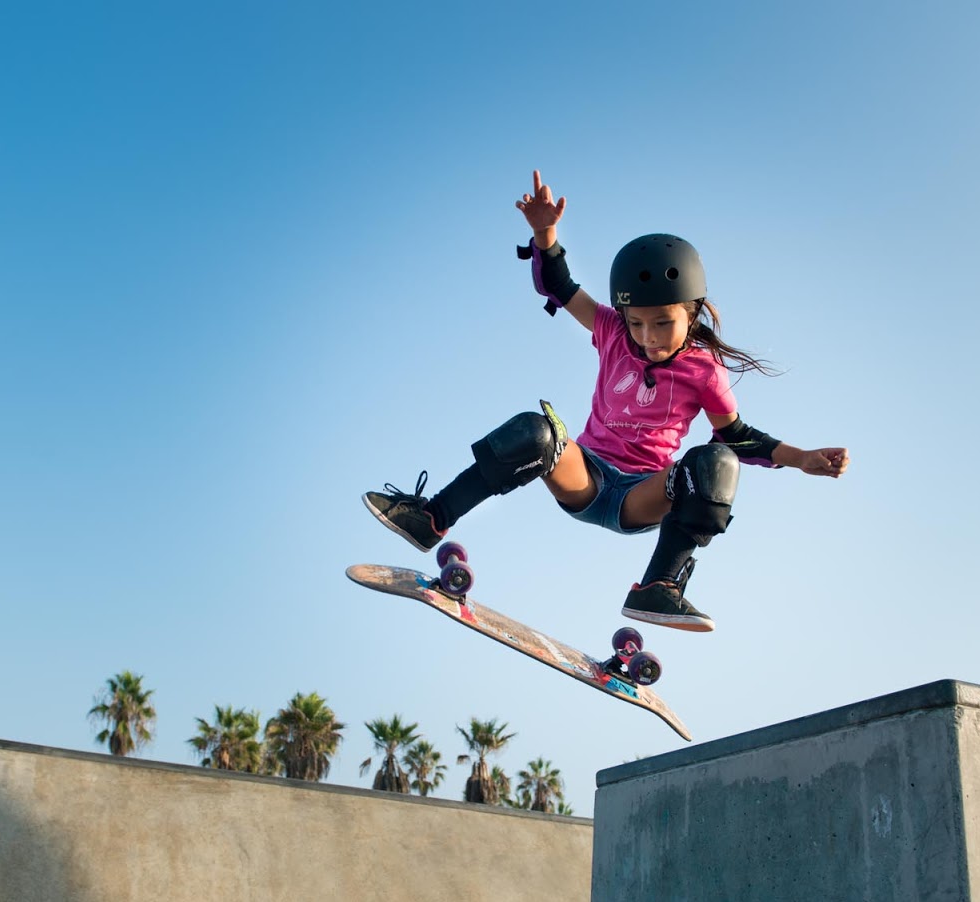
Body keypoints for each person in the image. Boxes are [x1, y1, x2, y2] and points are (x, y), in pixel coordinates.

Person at [363, 170, 850, 632]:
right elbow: (561, 287)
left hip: (644, 494)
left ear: (692, 312)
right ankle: (431, 519)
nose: (647, 337)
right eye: (636, 323)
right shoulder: (612, 331)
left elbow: (737, 436)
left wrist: (801, 458)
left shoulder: (704, 370)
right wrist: (545, 235)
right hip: (587, 476)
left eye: (662, 323)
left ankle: (657, 587)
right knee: (537, 430)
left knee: (715, 461)